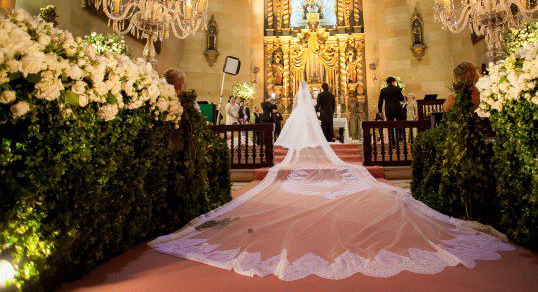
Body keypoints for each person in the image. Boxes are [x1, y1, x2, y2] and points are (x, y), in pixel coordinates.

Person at [150, 81, 512, 280]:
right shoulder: (328, 96)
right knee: (325, 138)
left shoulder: (305, 101)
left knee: (311, 137)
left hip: (316, 120)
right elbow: (331, 103)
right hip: (325, 120)